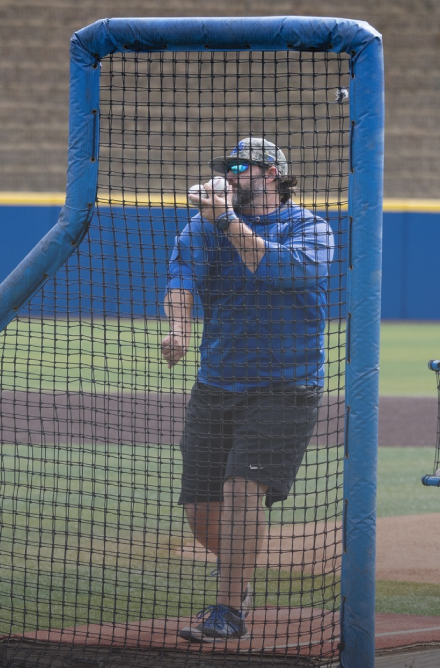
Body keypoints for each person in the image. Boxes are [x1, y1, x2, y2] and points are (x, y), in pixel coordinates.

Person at [161, 138, 333, 642]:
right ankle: (242, 574)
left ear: (272, 173)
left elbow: (284, 270)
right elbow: (181, 278)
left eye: (241, 167)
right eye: (227, 168)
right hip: (217, 382)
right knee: (199, 511)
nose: (230, 175)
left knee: (241, 491)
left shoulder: (309, 227)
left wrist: (227, 222)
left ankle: (228, 610)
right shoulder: (202, 227)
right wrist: (179, 329)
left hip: (287, 384)